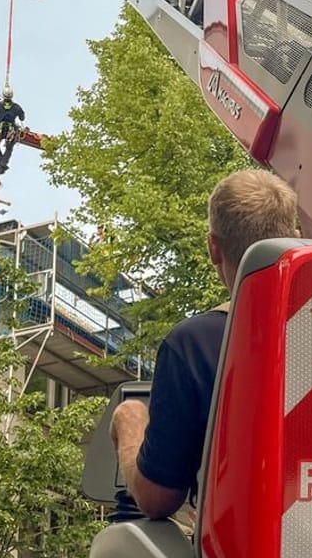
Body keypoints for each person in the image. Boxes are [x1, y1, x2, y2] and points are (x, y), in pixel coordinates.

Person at [109, 169, 300, 520]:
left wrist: (130, 424)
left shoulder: (194, 346)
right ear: (295, 240)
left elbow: (157, 499)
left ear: (213, 247)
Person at [0, 86, 26, 174]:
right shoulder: (16, 107)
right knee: (9, 148)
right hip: (11, 130)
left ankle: (2, 164)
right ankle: (3, 163)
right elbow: (22, 118)